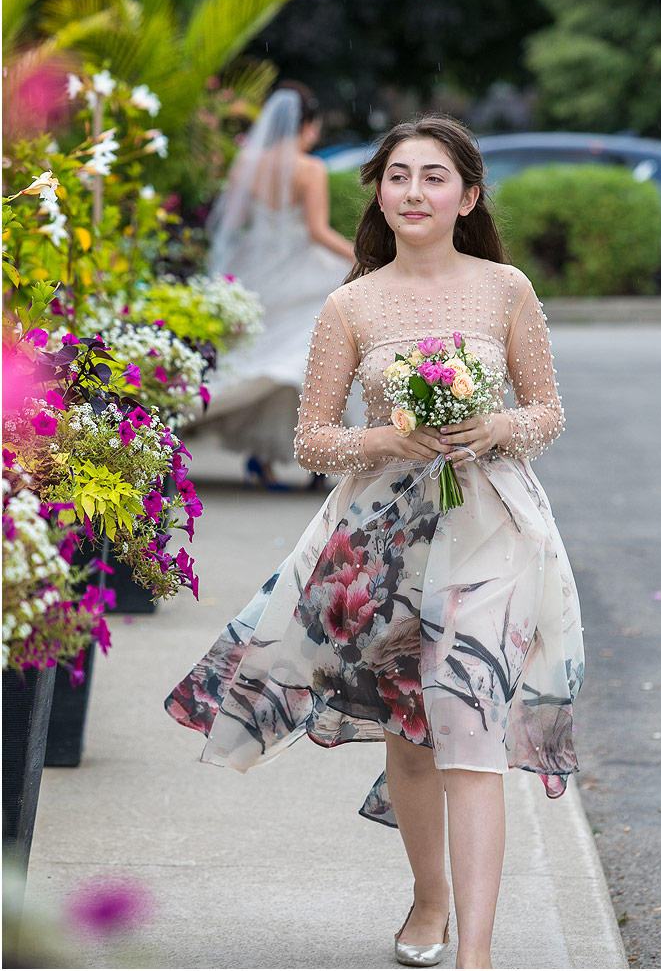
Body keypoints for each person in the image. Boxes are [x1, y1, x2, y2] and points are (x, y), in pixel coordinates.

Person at [165, 113, 585, 970]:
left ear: (467, 195)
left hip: (492, 525)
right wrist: (391, 439)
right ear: (379, 192)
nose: (414, 191)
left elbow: (547, 413)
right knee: (413, 730)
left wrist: (492, 422)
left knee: (468, 723)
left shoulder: (506, 288)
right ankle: (429, 895)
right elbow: (311, 440)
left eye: (434, 177)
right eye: (398, 175)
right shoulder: (349, 302)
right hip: (382, 540)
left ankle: (478, 956)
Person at [191, 81, 357, 491]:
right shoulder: (310, 168)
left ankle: (267, 455)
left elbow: (234, 221)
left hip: (255, 268)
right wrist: (359, 254)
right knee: (307, 358)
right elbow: (317, 230)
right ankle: (318, 452)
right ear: (307, 125)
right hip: (301, 268)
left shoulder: (247, 162)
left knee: (268, 357)